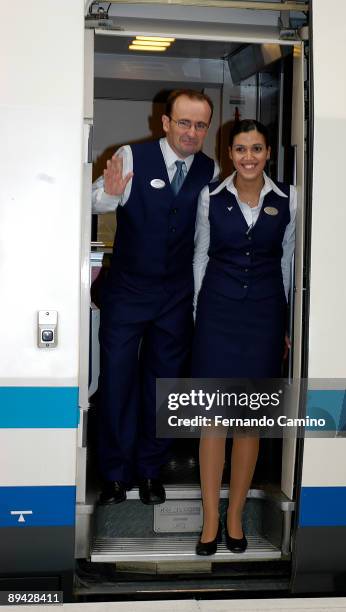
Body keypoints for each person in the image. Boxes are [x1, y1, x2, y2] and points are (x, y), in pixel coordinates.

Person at [92, 90, 218, 506]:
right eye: (184, 122)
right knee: (116, 382)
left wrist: (198, 297)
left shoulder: (208, 169)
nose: (192, 132)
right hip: (128, 292)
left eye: (200, 125)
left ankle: (149, 470)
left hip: (175, 297)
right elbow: (94, 200)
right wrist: (109, 193)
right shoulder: (132, 156)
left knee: (162, 387)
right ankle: (114, 474)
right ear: (165, 123)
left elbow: (203, 238)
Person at [192, 119, 296, 555]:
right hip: (218, 313)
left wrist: (288, 322)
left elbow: (289, 261)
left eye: (256, 149)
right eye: (240, 149)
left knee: (248, 421)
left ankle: (236, 516)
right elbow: (201, 255)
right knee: (215, 420)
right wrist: (198, 315)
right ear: (228, 154)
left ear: (268, 153)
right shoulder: (211, 196)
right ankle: (210, 521)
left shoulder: (290, 199)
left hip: (264, 316)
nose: (248, 157)